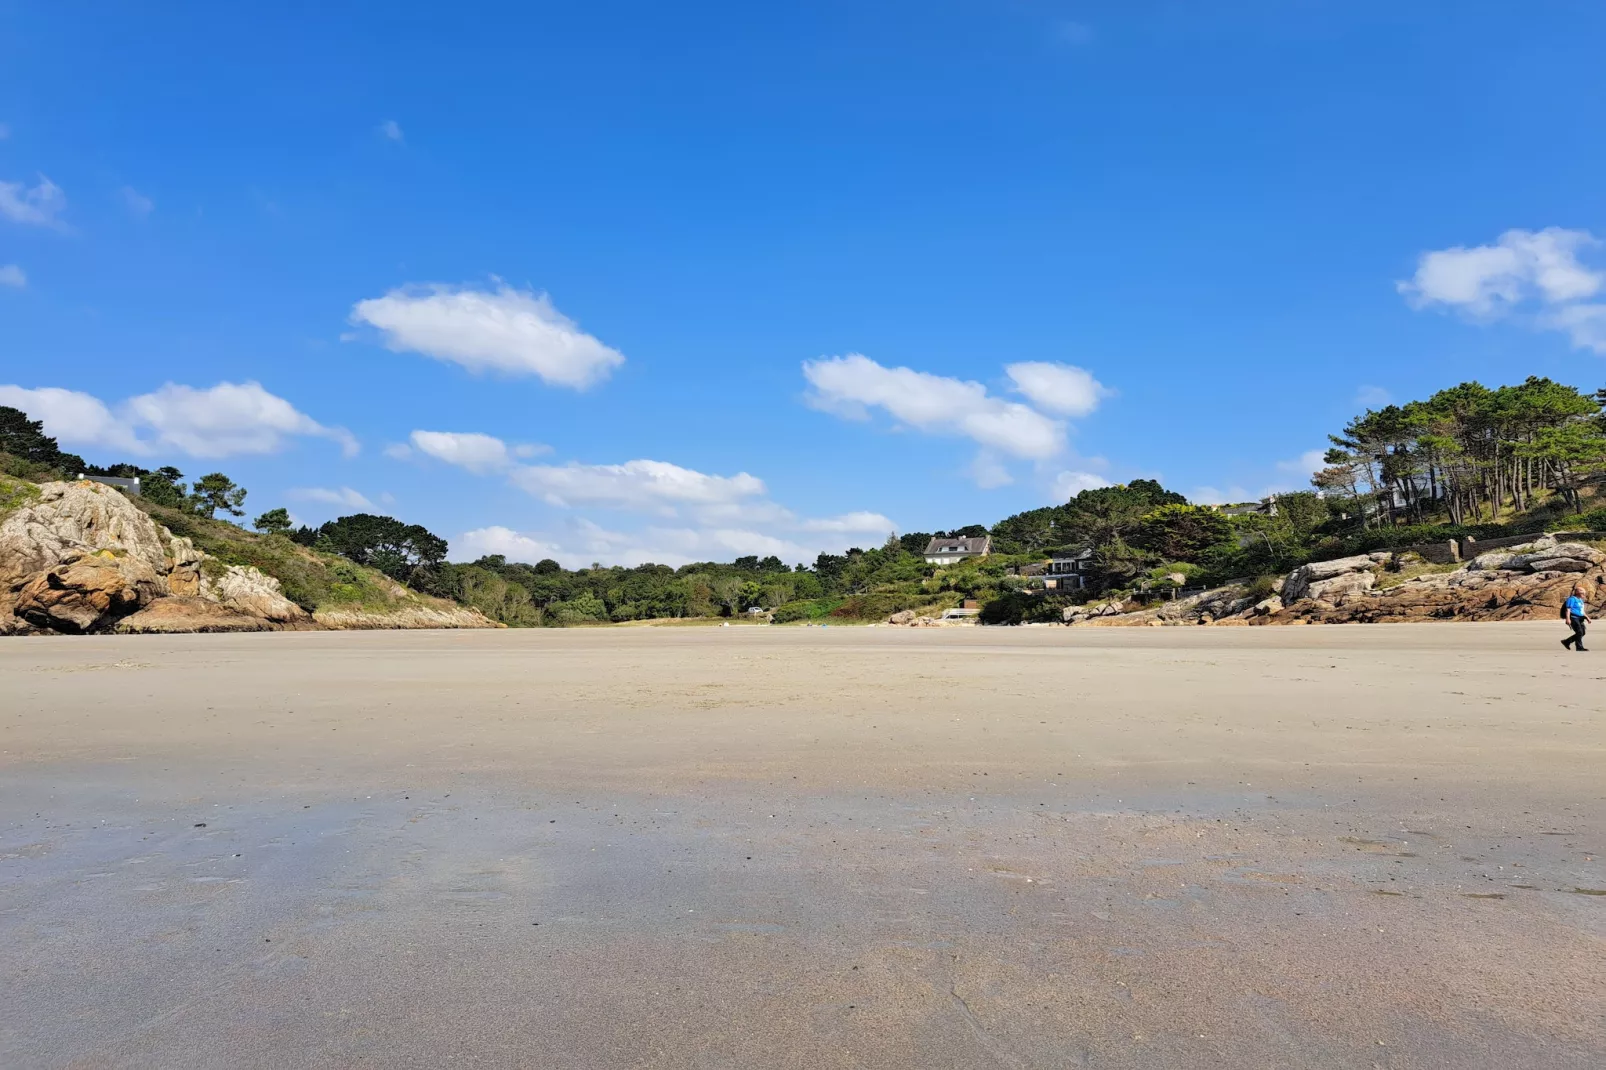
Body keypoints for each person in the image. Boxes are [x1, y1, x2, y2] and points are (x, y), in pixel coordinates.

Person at [1561, 584, 1590, 652]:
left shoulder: (1580, 600)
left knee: (1582, 632)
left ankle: (1567, 642)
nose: (1584, 594)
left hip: (1580, 618)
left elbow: (1582, 611)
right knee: (1579, 632)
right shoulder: (1571, 599)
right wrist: (1567, 619)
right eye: (1582, 592)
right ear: (1577, 592)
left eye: (1584, 592)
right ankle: (1579, 647)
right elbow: (1568, 609)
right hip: (1573, 618)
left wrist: (1587, 617)